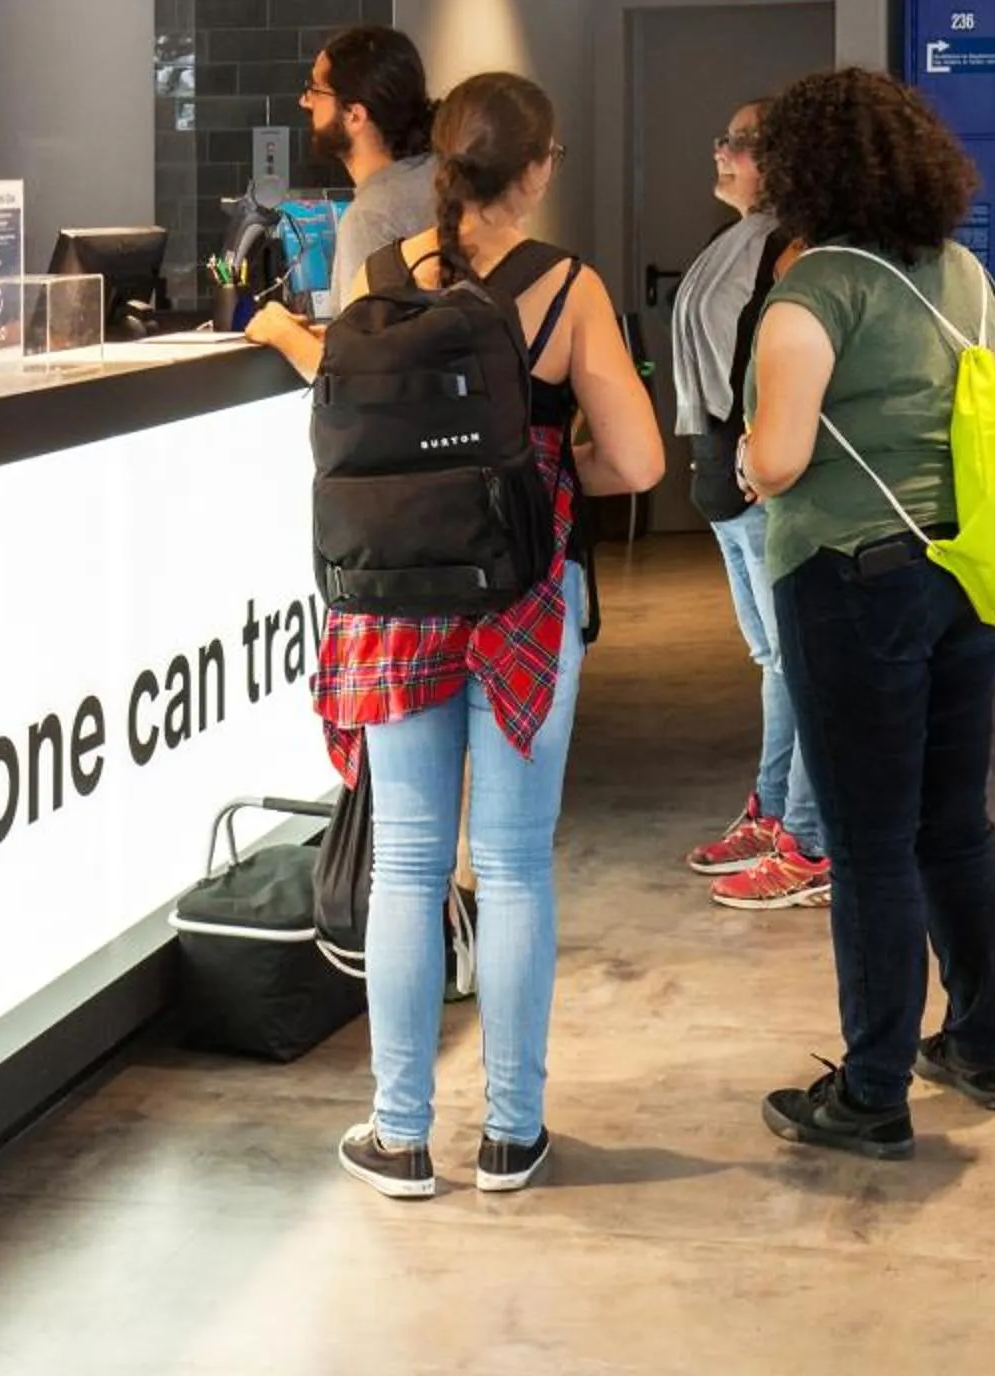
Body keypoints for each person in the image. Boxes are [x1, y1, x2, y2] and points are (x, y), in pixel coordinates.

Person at [313, 71, 664, 1199]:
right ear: (541, 165)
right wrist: (560, 481)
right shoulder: (568, 291)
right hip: (521, 603)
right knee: (513, 863)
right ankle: (512, 1130)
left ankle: (400, 1131)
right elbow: (643, 461)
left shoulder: (371, 278)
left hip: (398, 600)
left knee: (408, 865)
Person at [737, 69, 995, 1161]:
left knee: (866, 843)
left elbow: (780, 454)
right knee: (954, 819)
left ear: (806, 170)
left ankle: (871, 1089)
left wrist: (753, 465)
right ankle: (984, 1043)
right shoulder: (963, 272)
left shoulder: (812, 291)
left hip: (849, 578)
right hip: (958, 572)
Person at [672, 100, 830, 909]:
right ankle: (774, 812)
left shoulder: (787, 248)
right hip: (725, 489)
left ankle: (809, 840)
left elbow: (770, 375)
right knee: (776, 664)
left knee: (800, 667)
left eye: (739, 143)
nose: (721, 152)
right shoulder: (732, 242)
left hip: (758, 486)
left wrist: (754, 462)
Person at [245, 25, 436, 379]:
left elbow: (352, 377)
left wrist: (279, 330)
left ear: (355, 115)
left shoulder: (372, 217)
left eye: (315, 90)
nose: (305, 101)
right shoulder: (442, 179)